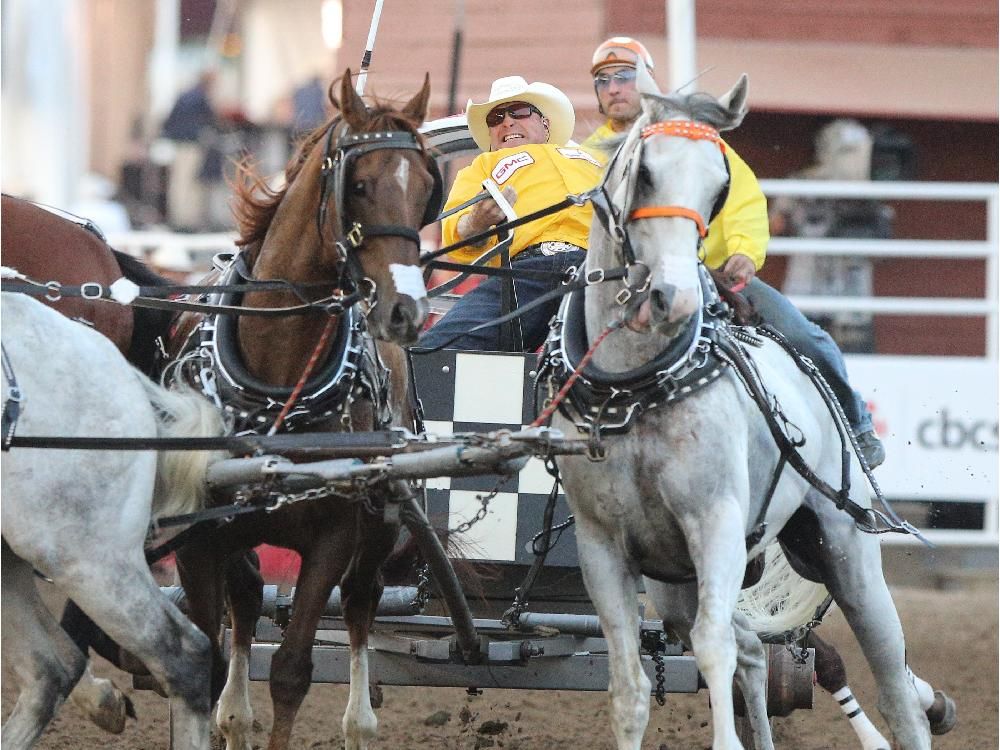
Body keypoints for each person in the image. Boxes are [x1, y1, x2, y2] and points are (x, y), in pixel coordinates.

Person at [580, 36, 885, 467]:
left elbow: (742, 201)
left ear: (647, 81)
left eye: (624, 76)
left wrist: (743, 253)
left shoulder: (699, 139)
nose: (613, 88)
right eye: (603, 80)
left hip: (711, 274)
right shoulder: (587, 156)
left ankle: (855, 426)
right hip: (616, 286)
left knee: (803, 336)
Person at [418, 76, 603, 353]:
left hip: (601, 269)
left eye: (519, 111)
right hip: (524, 274)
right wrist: (477, 221)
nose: (507, 121)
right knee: (430, 353)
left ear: (545, 123)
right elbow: (456, 232)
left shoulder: (595, 159)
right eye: (496, 117)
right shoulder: (481, 167)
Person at [160, 70, 221, 231]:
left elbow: (169, 120)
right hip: (191, 143)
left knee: (178, 181)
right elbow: (212, 119)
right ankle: (186, 220)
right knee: (189, 183)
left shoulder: (185, 95)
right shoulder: (200, 98)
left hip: (179, 143)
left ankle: (177, 217)